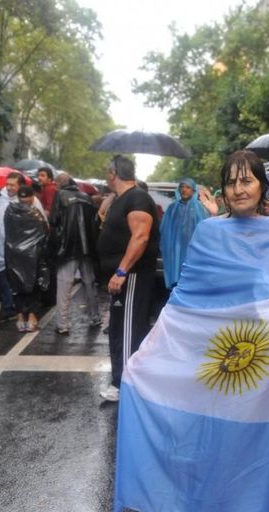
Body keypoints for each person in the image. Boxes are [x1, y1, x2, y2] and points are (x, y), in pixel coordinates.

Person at [113, 150, 269, 512]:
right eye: (231, 182)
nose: (238, 188)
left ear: (262, 186)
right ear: (223, 190)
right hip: (209, 366)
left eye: (247, 180)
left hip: (260, 371)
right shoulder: (209, 233)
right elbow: (184, 304)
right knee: (203, 445)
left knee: (250, 448)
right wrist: (150, 351)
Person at [96, 155, 160, 402]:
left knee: (128, 331)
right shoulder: (123, 199)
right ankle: (124, 380)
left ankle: (125, 384)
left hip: (132, 276)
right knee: (118, 329)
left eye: (106, 171)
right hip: (123, 277)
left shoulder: (137, 198)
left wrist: (121, 271)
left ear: (113, 174)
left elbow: (141, 237)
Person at [0, 172, 45, 321]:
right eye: (7, 184)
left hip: (24, 251)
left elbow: (42, 223)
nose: (8, 187)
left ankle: (25, 309)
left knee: (24, 281)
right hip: (0, 249)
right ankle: (9, 308)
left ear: (20, 186)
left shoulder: (31, 201)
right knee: (4, 279)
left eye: (12, 185)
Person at [49, 174, 101, 334]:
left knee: (64, 284)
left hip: (68, 246)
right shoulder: (86, 197)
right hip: (87, 247)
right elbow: (93, 222)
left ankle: (62, 324)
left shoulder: (60, 195)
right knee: (89, 282)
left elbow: (53, 220)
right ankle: (95, 316)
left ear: (59, 184)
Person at [4, 185, 49, 332]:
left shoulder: (9, 211)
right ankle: (31, 317)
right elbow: (45, 231)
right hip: (32, 254)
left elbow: (6, 231)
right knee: (33, 285)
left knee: (16, 286)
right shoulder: (35, 213)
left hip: (13, 254)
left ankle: (19, 318)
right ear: (31, 198)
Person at [159, 178, 211, 289]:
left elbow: (205, 232)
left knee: (191, 282)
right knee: (175, 282)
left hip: (192, 250)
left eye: (187, 187)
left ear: (193, 190)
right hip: (175, 250)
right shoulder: (172, 208)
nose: (184, 190)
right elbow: (164, 230)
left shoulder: (199, 208)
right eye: (182, 187)